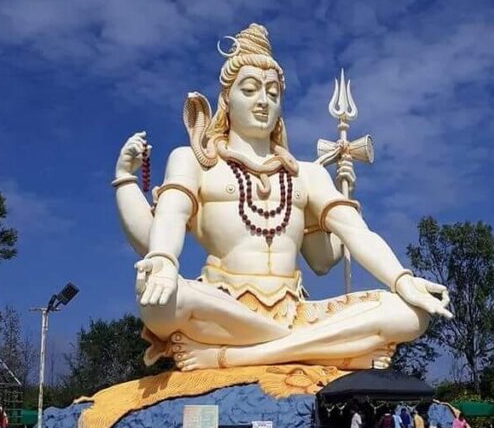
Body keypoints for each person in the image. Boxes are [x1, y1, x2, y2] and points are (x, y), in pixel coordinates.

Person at [113, 24, 452, 371]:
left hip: (292, 313)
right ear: (226, 100)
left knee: (410, 314)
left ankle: (233, 357)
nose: (263, 101)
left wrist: (402, 279)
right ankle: (327, 351)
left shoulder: (307, 174)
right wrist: (161, 254)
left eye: (273, 93)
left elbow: (341, 246)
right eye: (250, 90)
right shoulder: (194, 160)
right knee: (161, 299)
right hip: (221, 302)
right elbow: (164, 226)